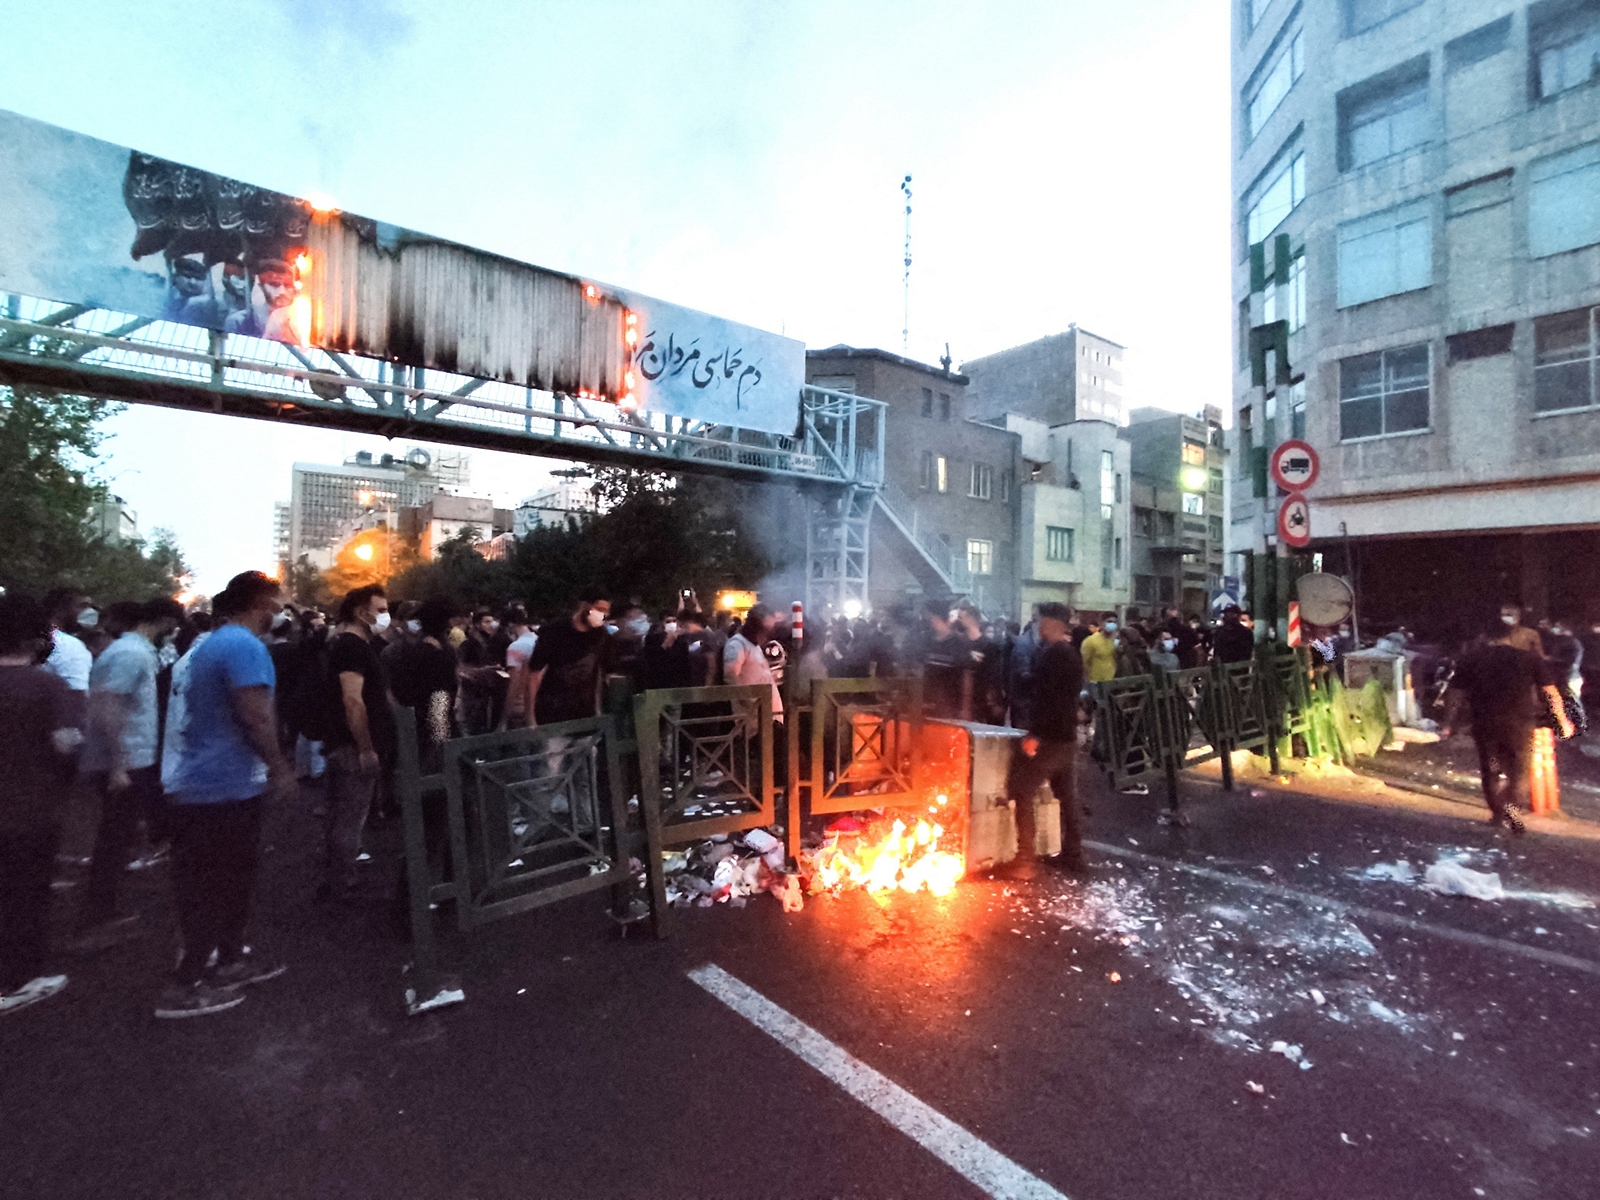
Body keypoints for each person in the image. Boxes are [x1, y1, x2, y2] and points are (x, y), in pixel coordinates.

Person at [159, 571, 292, 1018]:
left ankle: (231, 960)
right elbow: (255, 717)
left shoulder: (210, 644)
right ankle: (185, 985)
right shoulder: (242, 645)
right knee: (213, 886)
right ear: (260, 603)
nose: (281, 610)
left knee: (231, 881)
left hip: (210, 783)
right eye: (277, 601)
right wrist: (279, 768)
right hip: (220, 787)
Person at [75, 597, 183, 946]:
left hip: (131, 760)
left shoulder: (130, 651)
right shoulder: (131, 654)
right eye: (172, 625)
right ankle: (96, 920)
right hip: (127, 762)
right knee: (113, 840)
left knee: (118, 837)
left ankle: (102, 913)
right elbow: (109, 706)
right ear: (164, 621)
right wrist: (119, 764)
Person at [0, 595, 82, 1015]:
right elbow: (66, 745)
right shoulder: (48, 687)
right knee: (26, 894)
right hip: (30, 810)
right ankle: (17, 980)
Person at [1442, 614, 1574, 834]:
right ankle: (1512, 813)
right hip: (1520, 723)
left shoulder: (1471, 658)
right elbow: (1550, 692)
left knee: (1491, 769)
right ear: (1512, 635)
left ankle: (1497, 814)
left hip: (1484, 721)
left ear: (1484, 636)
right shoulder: (1529, 659)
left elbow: (1455, 693)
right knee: (1519, 772)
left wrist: (1448, 723)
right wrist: (1561, 720)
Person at [996, 602, 1086, 879]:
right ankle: (1074, 855)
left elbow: (1047, 699)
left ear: (1052, 625)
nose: (1038, 627)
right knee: (1067, 796)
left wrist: (1034, 734)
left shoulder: (1052, 655)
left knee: (1020, 790)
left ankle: (1024, 860)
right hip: (1067, 737)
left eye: (1041, 622)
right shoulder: (1071, 654)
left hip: (1049, 738)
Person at [318, 585, 395, 904]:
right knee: (350, 816)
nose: (384, 616)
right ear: (360, 612)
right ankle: (340, 883)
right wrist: (365, 747)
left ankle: (337, 877)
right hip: (352, 748)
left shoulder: (353, 644)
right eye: (379, 610)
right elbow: (353, 700)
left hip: (346, 744)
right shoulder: (352, 647)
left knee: (342, 815)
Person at [386, 598, 460, 774]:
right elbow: (439, 693)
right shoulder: (439, 651)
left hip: (413, 725)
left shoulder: (410, 650)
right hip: (432, 728)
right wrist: (440, 733)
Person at [525, 595, 614, 727]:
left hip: (585, 716)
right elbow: (534, 673)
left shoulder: (600, 635)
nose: (603, 614)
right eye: (599, 609)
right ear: (584, 606)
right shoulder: (554, 631)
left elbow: (600, 673)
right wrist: (530, 719)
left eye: (606, 611)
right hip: (553, 714)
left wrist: (598, 712)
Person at [921, 600, 972, 721]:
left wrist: (965, 709)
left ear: (937, 618)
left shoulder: (959, 643)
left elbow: (967, 677)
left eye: (930, 617)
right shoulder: (928, 640)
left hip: (950, 706)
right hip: (927, 704)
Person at [1079, 618, 1118, 686]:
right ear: (1101, 623)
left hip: (1110, 679)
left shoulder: (1113, 642)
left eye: (1114, 622)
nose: (1112, 624)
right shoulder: (1090, 641)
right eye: (1109, 622)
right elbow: (1085, 661)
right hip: (1095, 681)